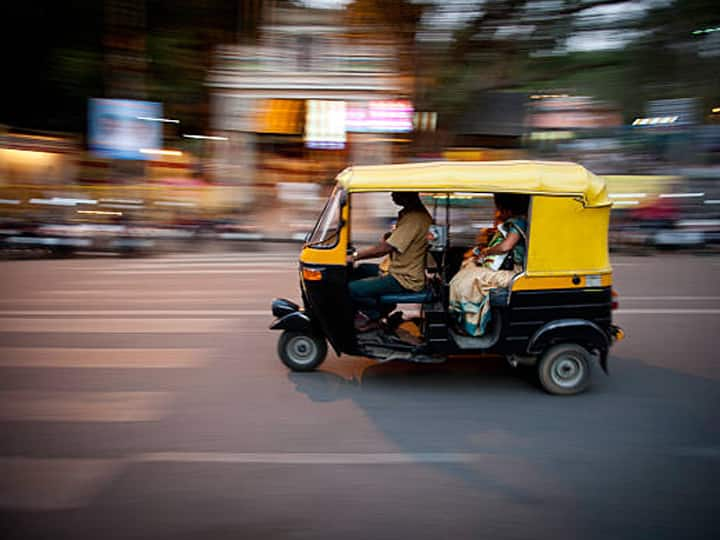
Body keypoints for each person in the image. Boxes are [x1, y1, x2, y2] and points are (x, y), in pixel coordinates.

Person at [348, 192, 432, 331]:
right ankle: (381, 308)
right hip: (396, 269)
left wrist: (354, 256)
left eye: (396, 192)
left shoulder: (414, 218)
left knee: (351, 289)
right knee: (361, 269)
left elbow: (385, 248)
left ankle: (373, 317)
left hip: (404, 278)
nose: (392, 195)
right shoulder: (409, 215)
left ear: (408, 195)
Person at [449, 193, 529, 337]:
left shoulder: (518, 223)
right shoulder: (516, 222)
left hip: (517, 274)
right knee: (469, 267)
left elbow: (506, 246)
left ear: (506, 209)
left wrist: (487, 251)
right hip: (512, 270)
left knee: (469, 278)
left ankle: (470, 323)